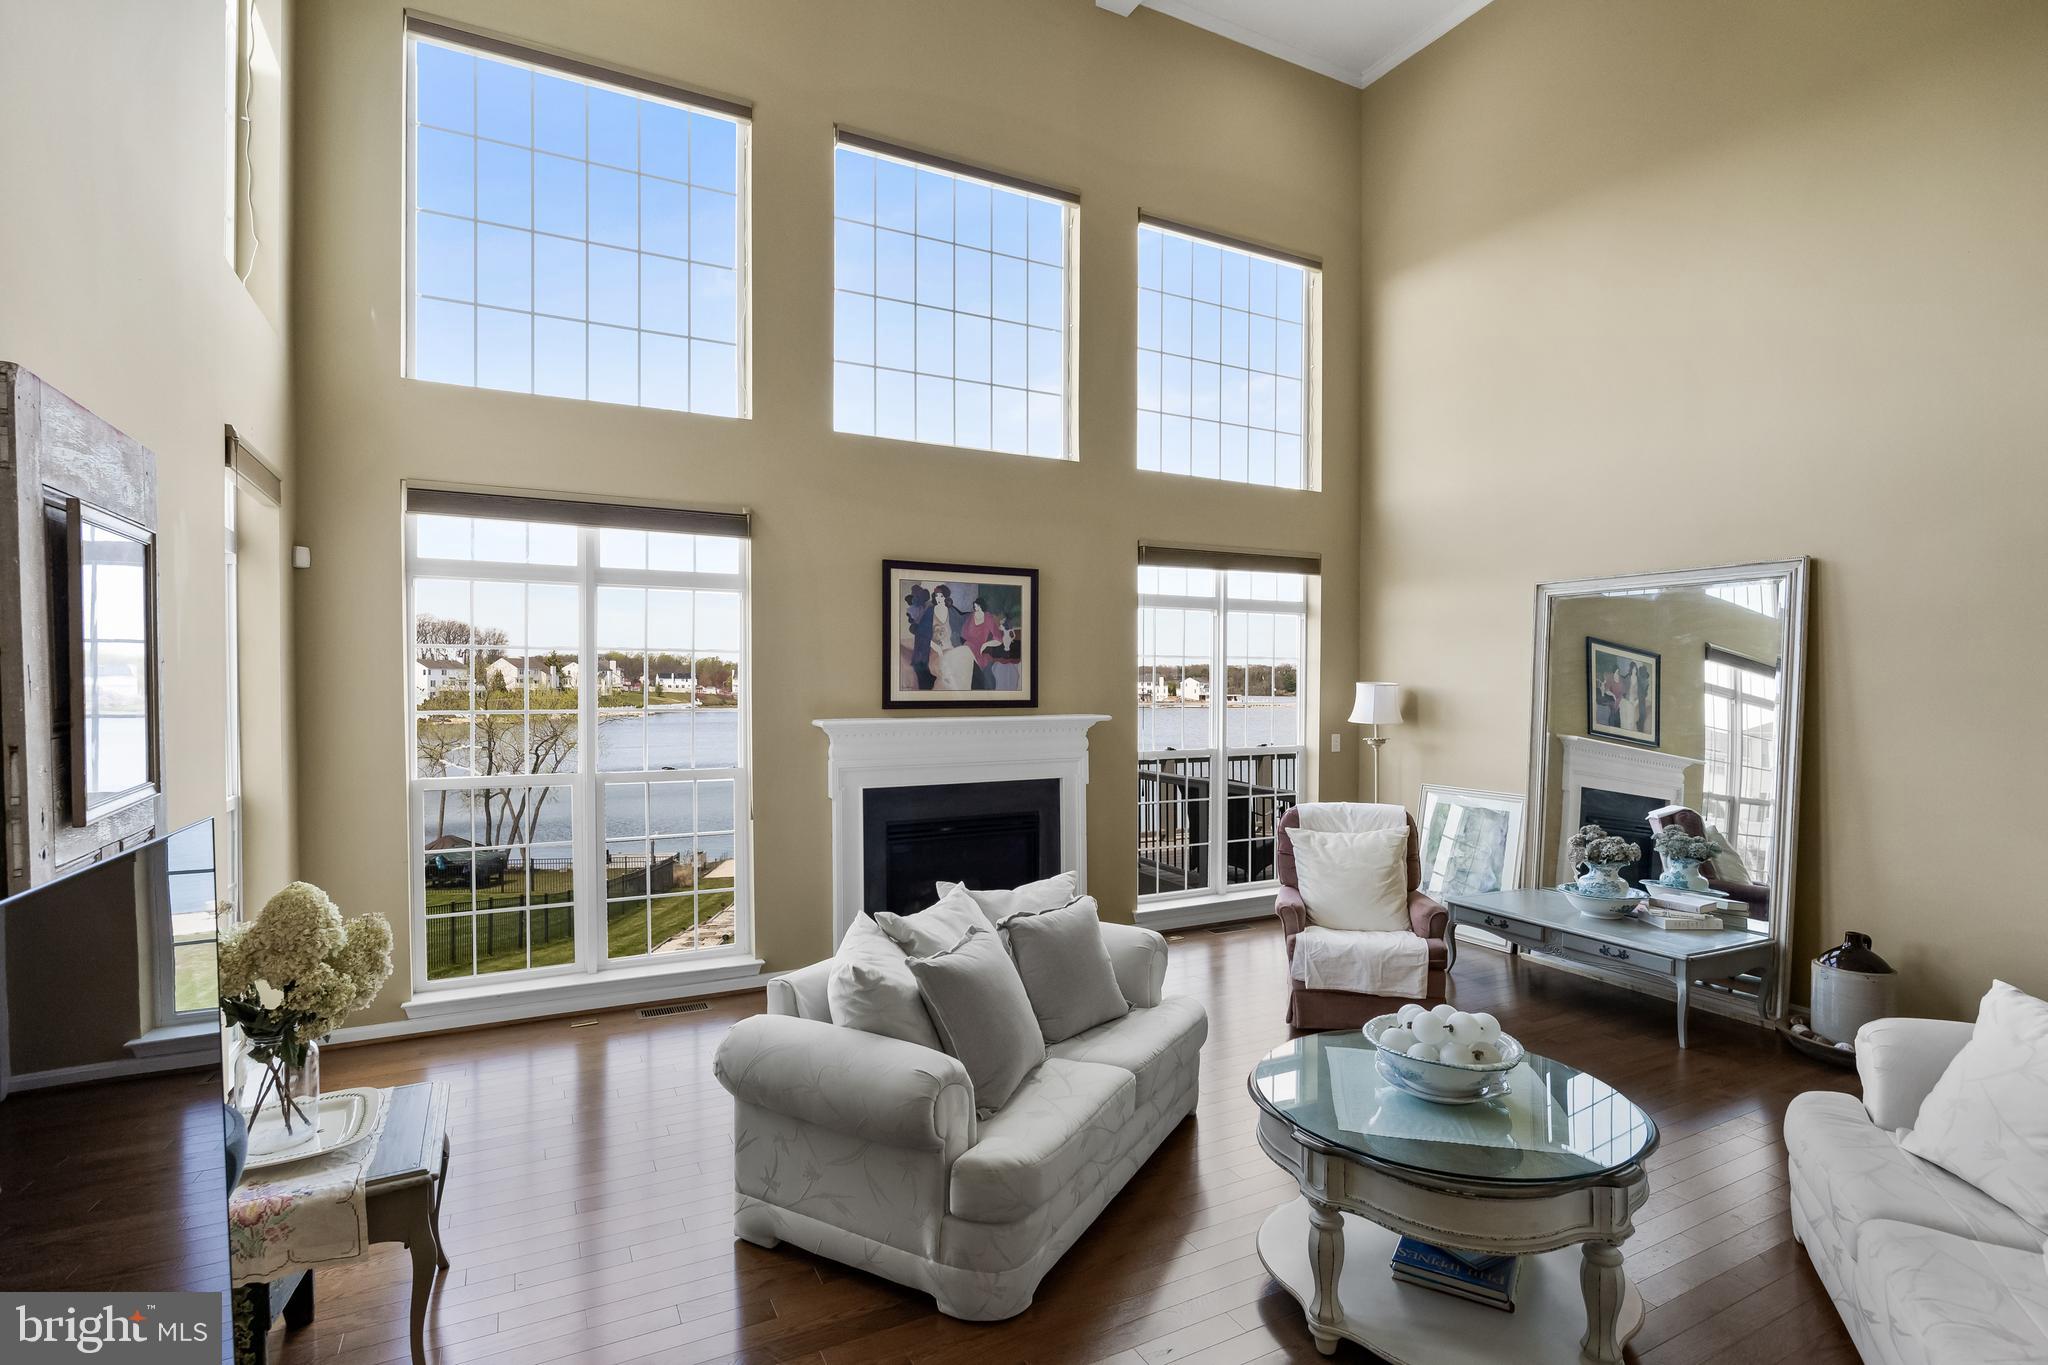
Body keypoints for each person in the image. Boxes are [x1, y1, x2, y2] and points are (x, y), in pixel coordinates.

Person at [963, 597, 1009, 690]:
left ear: (981, 606)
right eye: (974, 606)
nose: (975, 607)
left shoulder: (988, 617)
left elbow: (999, 639)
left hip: (981, 649)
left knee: (984, 669)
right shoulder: (971, 616)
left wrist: (986, 644)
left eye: (977, 605)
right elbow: (964, 634)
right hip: (968, 647)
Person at [903, 583, 935, 690]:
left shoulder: (929, 608)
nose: (914, 598)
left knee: (921, 663)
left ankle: (927, 684)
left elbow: (925, 625)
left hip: (924, 638)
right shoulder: (922, 607)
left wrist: (915, 625)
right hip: (920, 638)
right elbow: (914, 621)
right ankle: (926, 683)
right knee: (919, 664)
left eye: (916, 595)